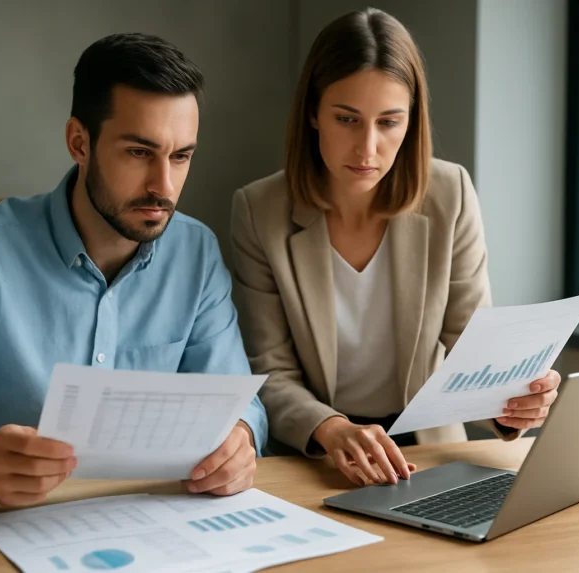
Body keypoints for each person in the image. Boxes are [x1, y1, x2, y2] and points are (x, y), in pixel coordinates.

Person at [0, 33, 267, 506]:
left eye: (181, 156)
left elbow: (237, 401)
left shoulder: (196, 253)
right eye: (140, 152)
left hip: (147, 526)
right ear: (79, 143)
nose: (163, 186)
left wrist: (240, 441)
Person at [230, 9, 560, 487]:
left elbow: (474, 347)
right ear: (313, 113)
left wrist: (514, 403)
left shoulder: (451, 193)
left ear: (412, 121)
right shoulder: (259, 210)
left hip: (427, 450)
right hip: (316, 455)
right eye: (347, 119)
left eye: (389, 122)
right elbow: (271, 372)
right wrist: (334, 429)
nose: (367, 149)